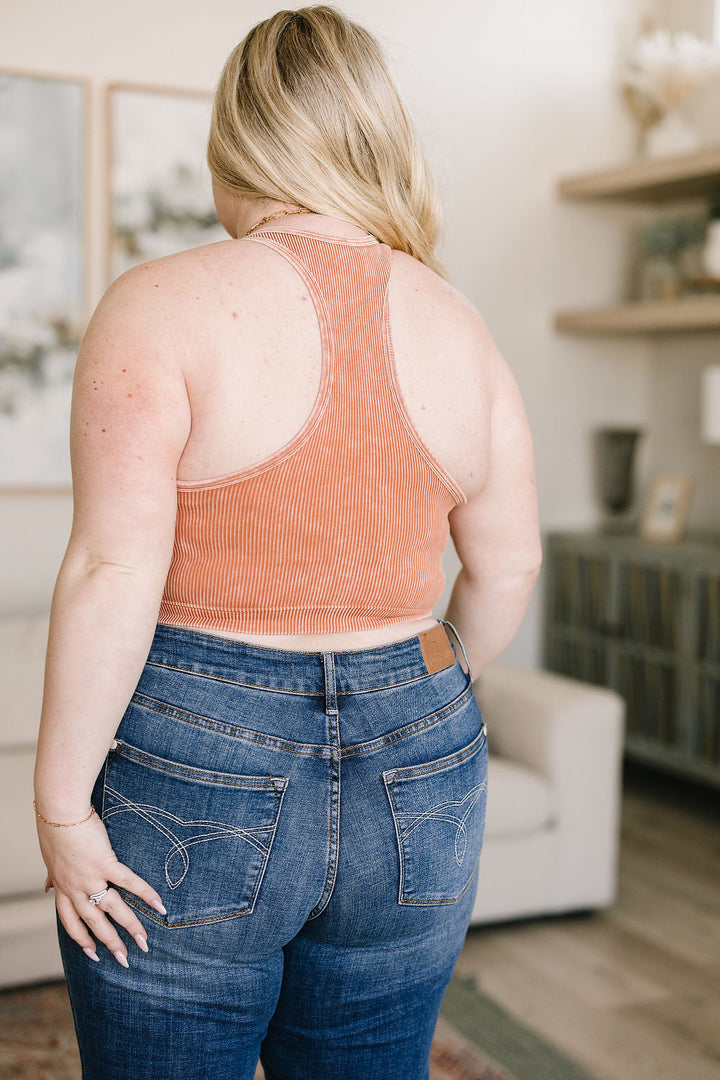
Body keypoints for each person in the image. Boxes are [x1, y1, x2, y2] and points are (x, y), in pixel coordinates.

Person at [33, 6, 542, 1079]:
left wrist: (61, 807)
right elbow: (510, 567)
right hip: (424, 754)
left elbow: (112, 570)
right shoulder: (461, 324)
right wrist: (423, 697)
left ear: (239, 146)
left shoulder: (160, 305)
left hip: (201, 753)